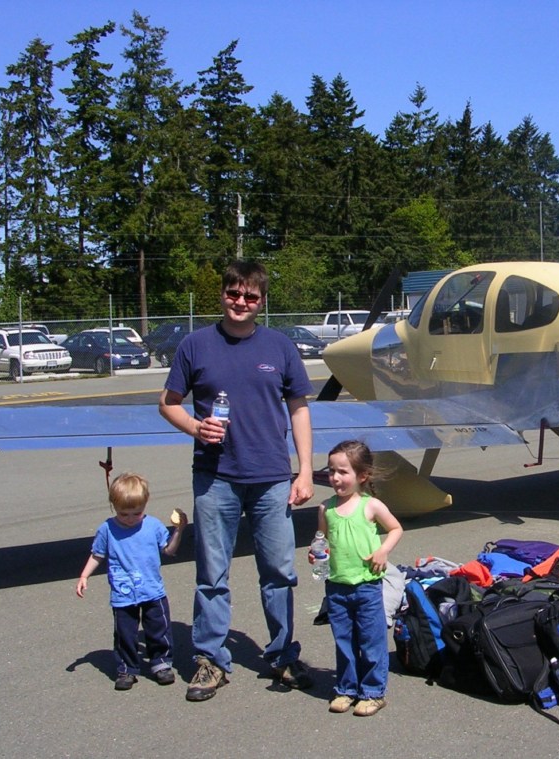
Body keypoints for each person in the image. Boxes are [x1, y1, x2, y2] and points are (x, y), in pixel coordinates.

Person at [159, 260, 316, 703]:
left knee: (279, 572)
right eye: (234, 294)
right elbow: (168, 403)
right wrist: (194, 427)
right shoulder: (195, 345)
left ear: (262, 301)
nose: (241, 303)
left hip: (270, 478)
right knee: (212, 573)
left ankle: (283, 654)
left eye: (250, 297)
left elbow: (299, 409)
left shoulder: (281, 347)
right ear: (223, 294)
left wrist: (304, 470)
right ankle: (210, 661)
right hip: (216, 477)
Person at [75, 472, 187, 691]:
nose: (129, 518)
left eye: (136, 513)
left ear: (145, 505)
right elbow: (97, 554)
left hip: (152, 591)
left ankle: (161, 663)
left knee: (159, 629)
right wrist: (84, 575)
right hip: (123, 594)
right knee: (125, 634)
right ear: (114, 507)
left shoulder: (153, 526)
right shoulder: (107, 529)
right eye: (123, 513)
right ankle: (126, 668)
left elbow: (169, 551)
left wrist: (179, 531)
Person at [316, 440, 404, 717]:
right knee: (344, 641)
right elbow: (323, 540)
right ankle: (346, 689)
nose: (335, 478)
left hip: (367, 586)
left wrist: (382, 550)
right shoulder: (325, 508)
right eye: (331, 471)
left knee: (371, 642)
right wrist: (316, 552)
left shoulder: (371, 506)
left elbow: (395, 529)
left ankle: (373, 692)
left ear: (362, 475)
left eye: (343, 472)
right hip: (337, 586)